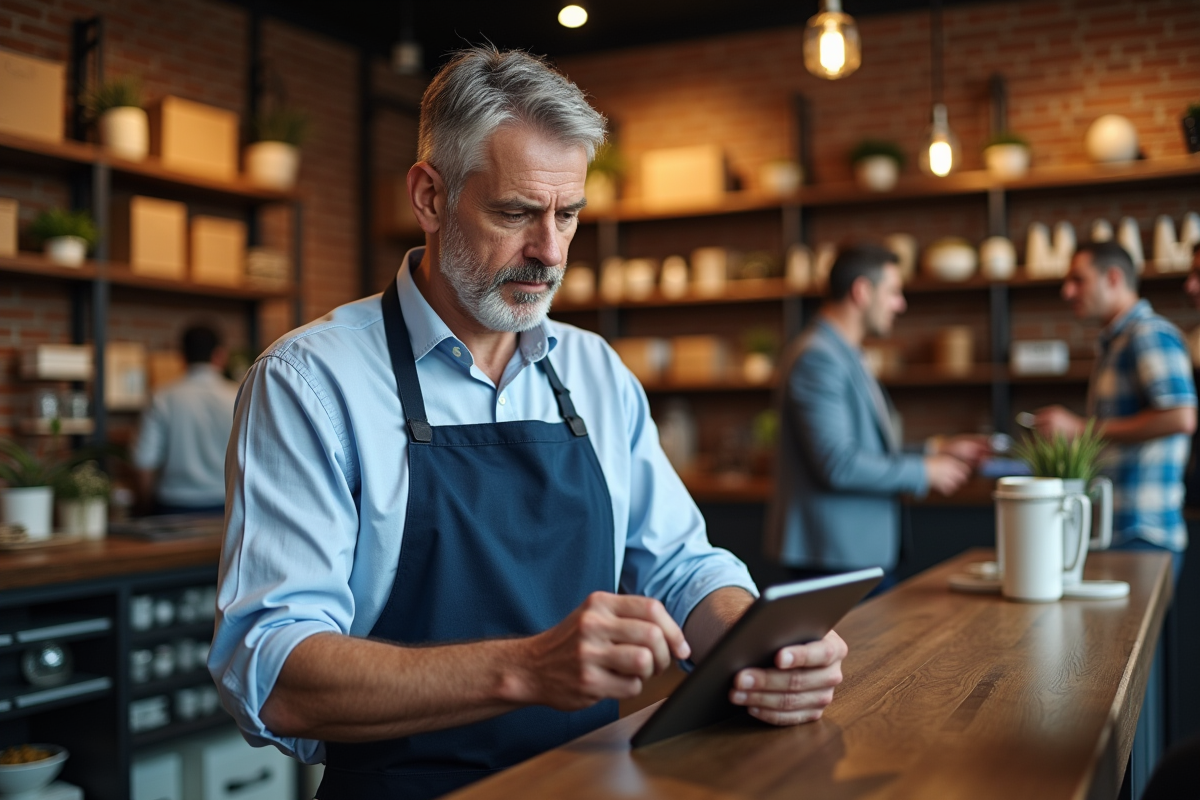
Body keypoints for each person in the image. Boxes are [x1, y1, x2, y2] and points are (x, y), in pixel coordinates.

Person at [209, 47, 848, 800]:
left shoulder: (595, 372)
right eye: (515, 213)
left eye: (568, 215)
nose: (548, 251)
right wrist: (528, 668)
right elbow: (273, 671)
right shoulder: (311, 382)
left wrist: (757, 644)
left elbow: (680, 566)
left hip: (593, 781)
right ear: (429, 196)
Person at [764, 244, 990, 590]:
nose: (900, 304)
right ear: (861, 291)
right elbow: (837, 463)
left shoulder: (844, 353)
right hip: (833, 558)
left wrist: (936, 450)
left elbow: (865, 447)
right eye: (894, 292)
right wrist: (924, 472)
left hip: (853, 556)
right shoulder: (818, 358)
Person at [1034, 241, 1196, 583]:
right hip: (1120, 529)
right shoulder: (1116, 342)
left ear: (1112, 278)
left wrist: (1081, 429)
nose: (1068, 291)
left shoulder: (1148, 333)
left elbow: (1180, 416)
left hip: (1142, 530)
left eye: (1078, 280)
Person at [131, 323, 238, 515]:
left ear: (181, 356)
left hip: (173, 506)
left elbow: (144, 462)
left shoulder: (162, 397)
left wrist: (146, 507)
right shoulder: (238, 395)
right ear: (220, 355)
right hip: (228, 506)